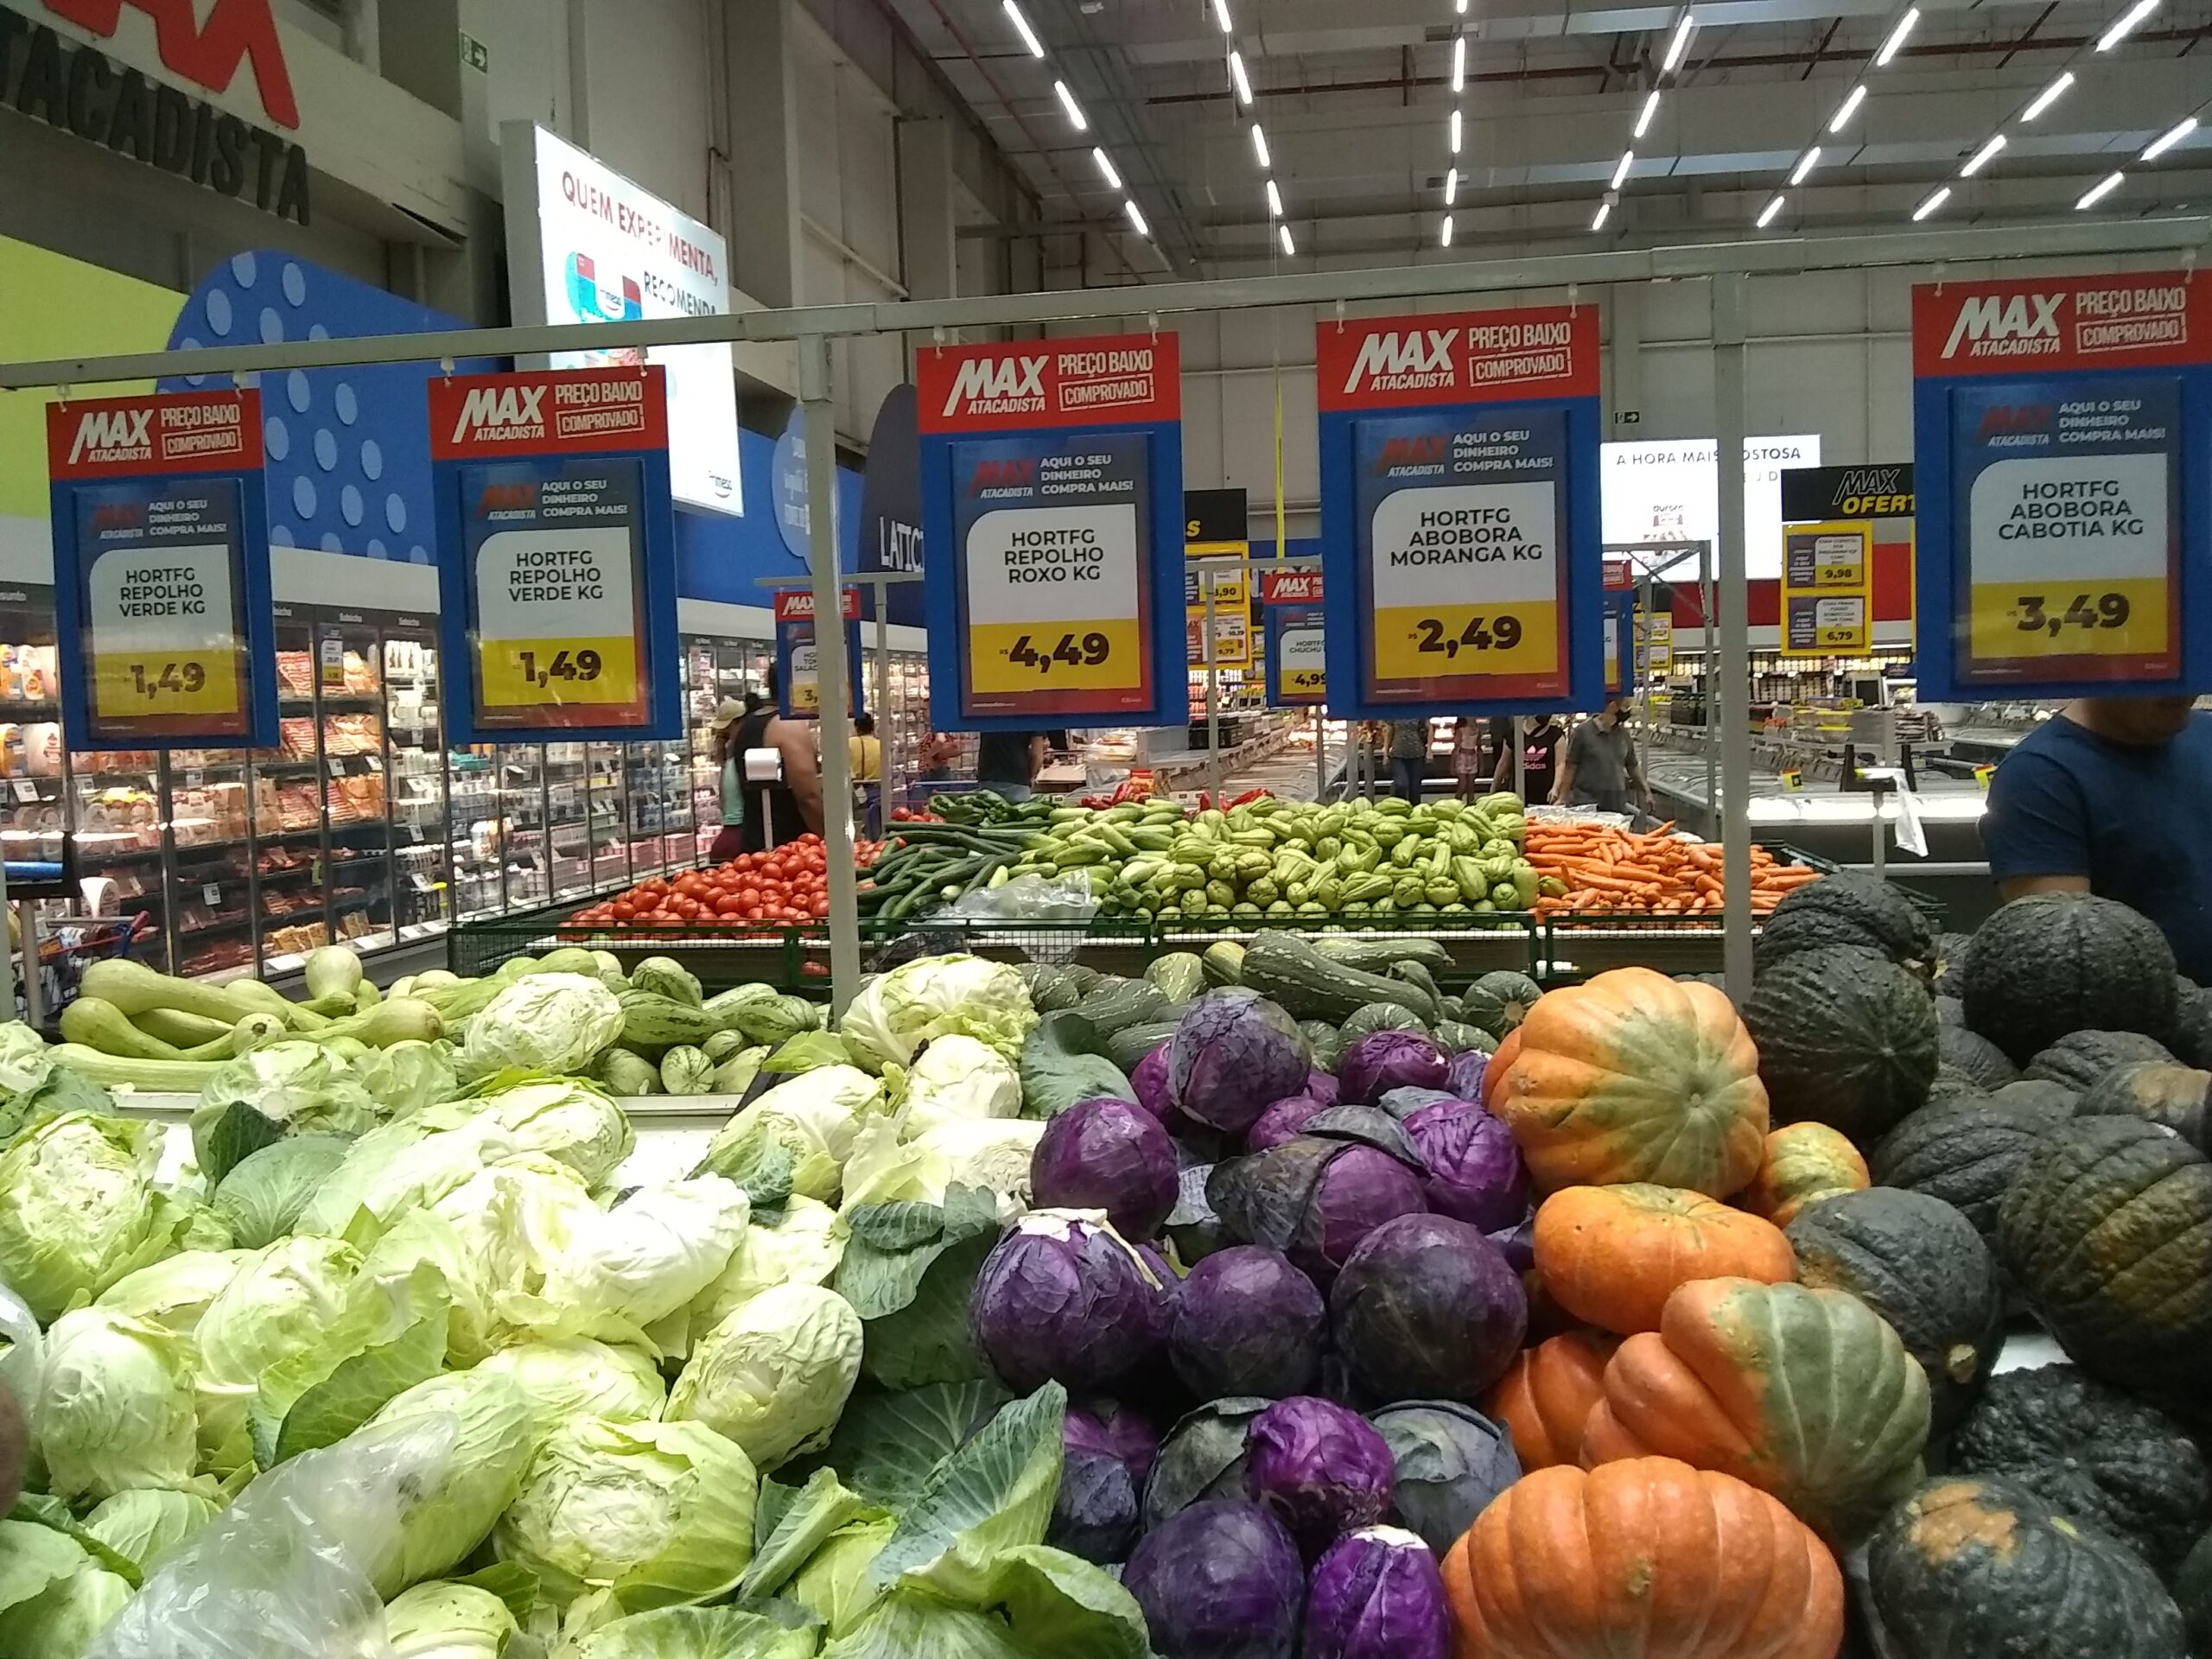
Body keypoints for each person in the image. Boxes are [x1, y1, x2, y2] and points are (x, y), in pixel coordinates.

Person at [1981, 696, 2212, 983]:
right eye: (2157, 676)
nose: (2184, 692)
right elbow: (2066, 963)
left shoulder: (2205, 734)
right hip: (2150, 1008)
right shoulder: (2036, 776)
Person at [717, 666, 822, 855]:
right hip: (791, 850)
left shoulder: (747, 725)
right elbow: (808, 797)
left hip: (755, 845)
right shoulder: (787, 726)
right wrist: (832, 839)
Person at [1554, 696, 1649, 817]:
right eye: (1625, 707)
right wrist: (1563, 797)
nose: (1627, 713)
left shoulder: (1623, 735)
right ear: (1613, 706)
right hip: (1587, 801)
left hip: (1616, 802)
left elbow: (1632, 765)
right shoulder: (1582, 732)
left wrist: (1647, 791)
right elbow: (1571, 766)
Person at [1494, 713, 1567, 806]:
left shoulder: (1556, 735)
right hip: (1519, 794)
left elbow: (1560, 764)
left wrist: (1555, 788)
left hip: (1546, 796)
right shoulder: (1513, 734)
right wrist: (1493, 790)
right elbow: (1503, 763)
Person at [976, 729, 1048, 802]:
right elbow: (1037, 756)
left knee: (987, 808)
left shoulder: (987, 721)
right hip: (1017, 780)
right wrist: (1031, 777)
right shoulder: (1033, 722)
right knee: (1018, 809)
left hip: (987, 777)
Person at [849, 713, 882, 838]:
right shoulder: (880, 744)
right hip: (877, 789)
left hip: (857, 789)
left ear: (856, 727)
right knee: (876, 824)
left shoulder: (850, 743)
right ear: (873, 727)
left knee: (858, 823)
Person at [1387, 719, 1430, 804]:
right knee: (1401, 783)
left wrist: (1429, 750)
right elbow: (1389, 732)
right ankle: (1399, 805)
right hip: (1398, 754)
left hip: (1417, 754)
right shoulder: (1394, 714)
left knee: (1415, 787)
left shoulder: (1418, 713)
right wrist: (1386, 752)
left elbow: (1430, 728)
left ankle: (1415, 807)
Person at [1450, 718, 1486, 801]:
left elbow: (1479, 748)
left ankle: (1470, 802)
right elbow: (1455, 749)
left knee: (1471, 785)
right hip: (1462, 758)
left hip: (1473, 758)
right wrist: (1452, 765)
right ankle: (1457, 800)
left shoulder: (1477, 731)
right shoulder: (1461, 731)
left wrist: (1481, 766)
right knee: (1463, 783)